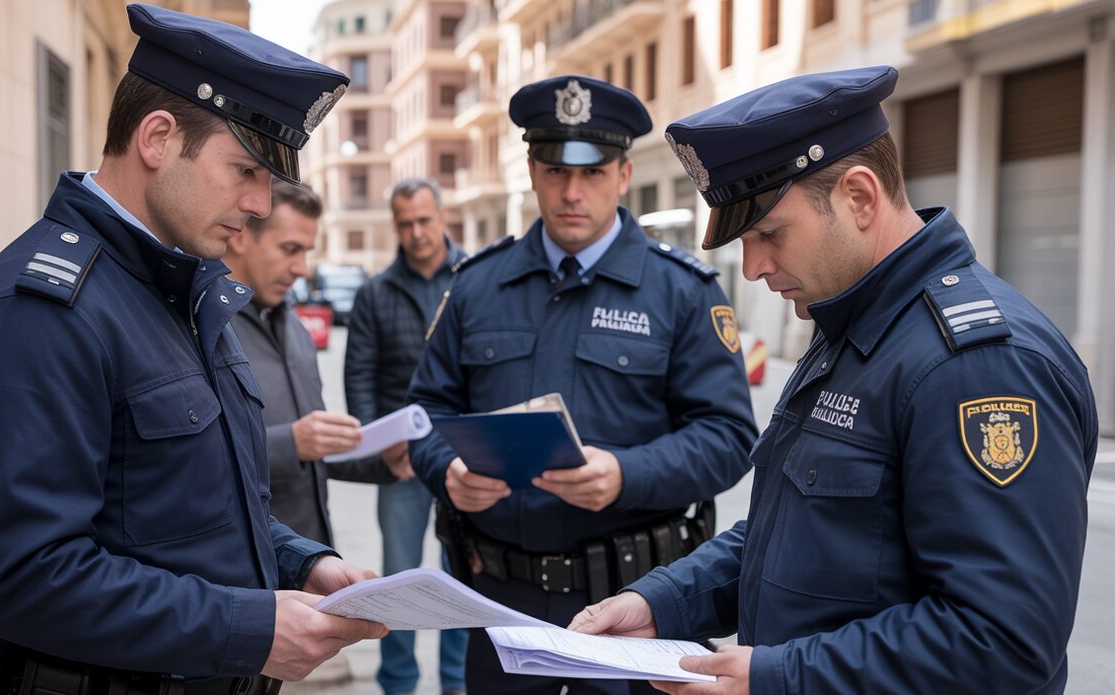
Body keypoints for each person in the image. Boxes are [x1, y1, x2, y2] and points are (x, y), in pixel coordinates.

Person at [569, 66, 1098, 695]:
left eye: (768, 233)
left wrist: (777, 676)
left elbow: (1002, 641)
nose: (756, 265)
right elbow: (794, 534)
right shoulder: (855, 321)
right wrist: (664, 602)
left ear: (860, 197)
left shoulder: (975, 363)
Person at [0, 5, 387, 692]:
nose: (262, 203)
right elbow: (26, 578)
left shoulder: (177, 288)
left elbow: (193, 503)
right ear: (158, 137)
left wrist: (300, 562)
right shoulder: (36, 312)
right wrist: (248, 627)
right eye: (245, 170)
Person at [406, 75, 759, 694]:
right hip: (501, 605)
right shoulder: (475, 285)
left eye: (593, 173)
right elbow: (426, 410)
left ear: (624, 175)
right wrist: (449, 473)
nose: (572, 192)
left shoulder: (682, 290)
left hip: (636, 604)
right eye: (554, 170)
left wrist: (629, 474)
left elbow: (729, 438)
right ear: (532, 171)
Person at [344, 177, 470, 695]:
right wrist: (377, 447)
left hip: (464, 462)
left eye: (424, 220)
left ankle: (457, 683)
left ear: (442, 217)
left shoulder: (472, 277)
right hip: (400, 465)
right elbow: (360, 377)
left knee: (460, 580)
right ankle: (397, 683)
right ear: (395, 226)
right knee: (398, 577)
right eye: (405, 224)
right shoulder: (376, 291)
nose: (416, 232)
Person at [225, 178, 395, 547]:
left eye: (306, 251)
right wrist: (292, 443)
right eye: (290, 249)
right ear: (241, 235)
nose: (302, 268)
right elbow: (193, 464)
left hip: (314, 557)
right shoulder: (202, 330)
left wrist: (385, 461)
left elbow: (316, 451)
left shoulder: (297, 331)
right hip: (250, 571)